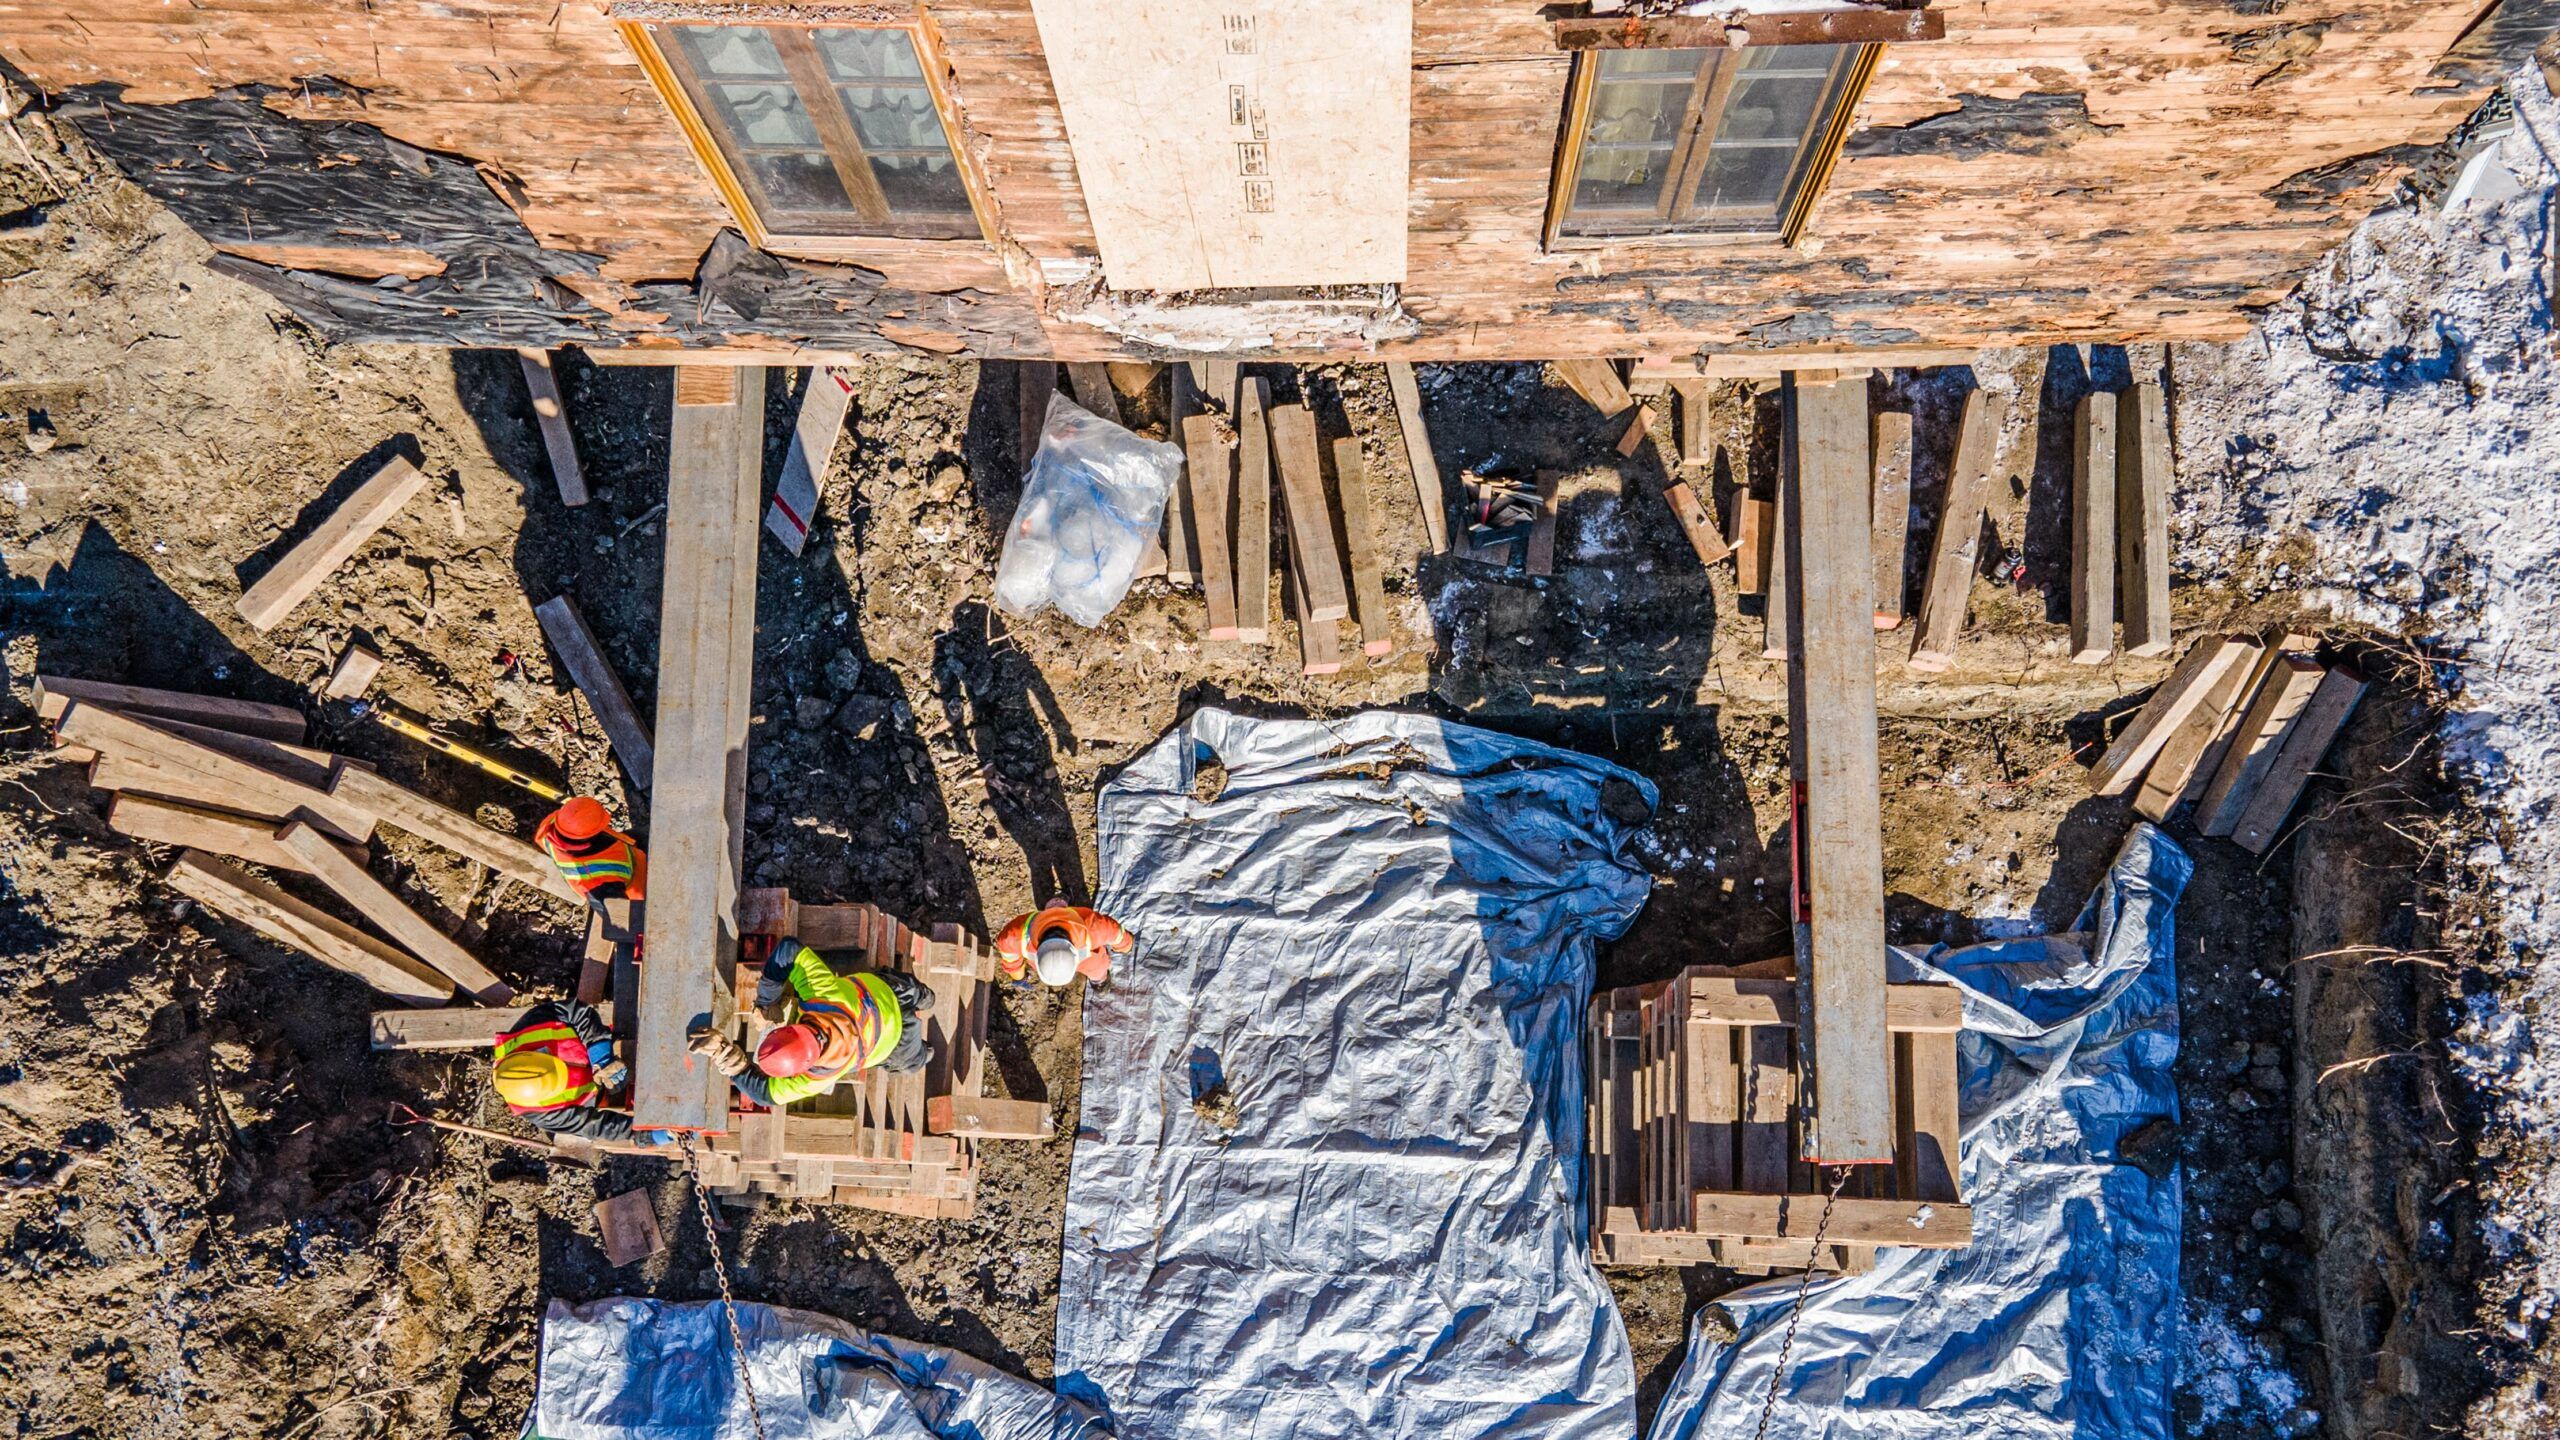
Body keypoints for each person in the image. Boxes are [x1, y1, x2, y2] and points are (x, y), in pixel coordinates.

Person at [687, 939, 933, 1107]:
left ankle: (926, 1052)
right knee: (920, 993)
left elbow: (764, 1095)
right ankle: (926, 998)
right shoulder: (823, 997)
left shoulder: (818, 1078)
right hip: (889, 991)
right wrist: (765, 1002)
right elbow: (789, 950)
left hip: (897, 1039)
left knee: (915, 1060)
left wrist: (729, 1060)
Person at [489, 996, 667, 1146]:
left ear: (538, 1055)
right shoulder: (540, 1113)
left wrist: (601, 1055)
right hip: (590, 1096)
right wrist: (639, 1134)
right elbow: (592, 1125)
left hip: (597, 1055)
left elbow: (577, 1011)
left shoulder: (532, 1026)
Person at [534, 796, 645, 904]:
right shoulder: (598, 883)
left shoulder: (549, 827)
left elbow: (574, 814)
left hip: (630, 850)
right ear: (590, 836)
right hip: (641, 886)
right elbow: (618, 915)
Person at [995, 904, 1132, 988]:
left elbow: (1013, 964)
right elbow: (1122, 939)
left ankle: (1100, 980)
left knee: (1097, 967)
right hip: (1088, 957)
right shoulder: (1097, 928)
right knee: (1097, 969)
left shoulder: (1012, 939)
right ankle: (1100, 983)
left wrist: (1020, 979)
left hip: (1062, 949)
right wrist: (1126, 947)